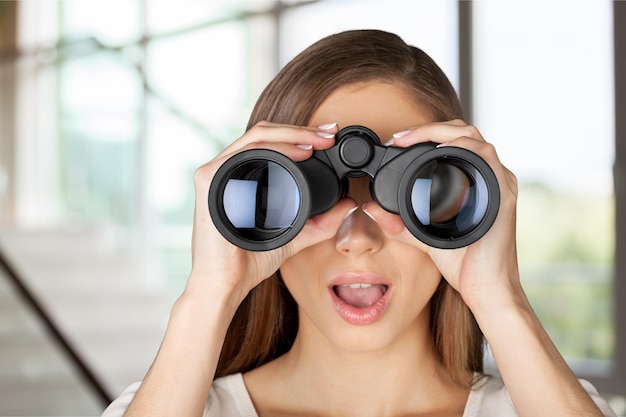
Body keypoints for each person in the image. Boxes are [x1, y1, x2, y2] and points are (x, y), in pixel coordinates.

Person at [102, 29, 616, 417]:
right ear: (263, 211)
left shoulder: (539, 405)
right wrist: (211, 288)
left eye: (415, 190)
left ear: (459, 203)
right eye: (309, 196)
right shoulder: (175, 404)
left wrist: (500, 295)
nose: (357, 238)